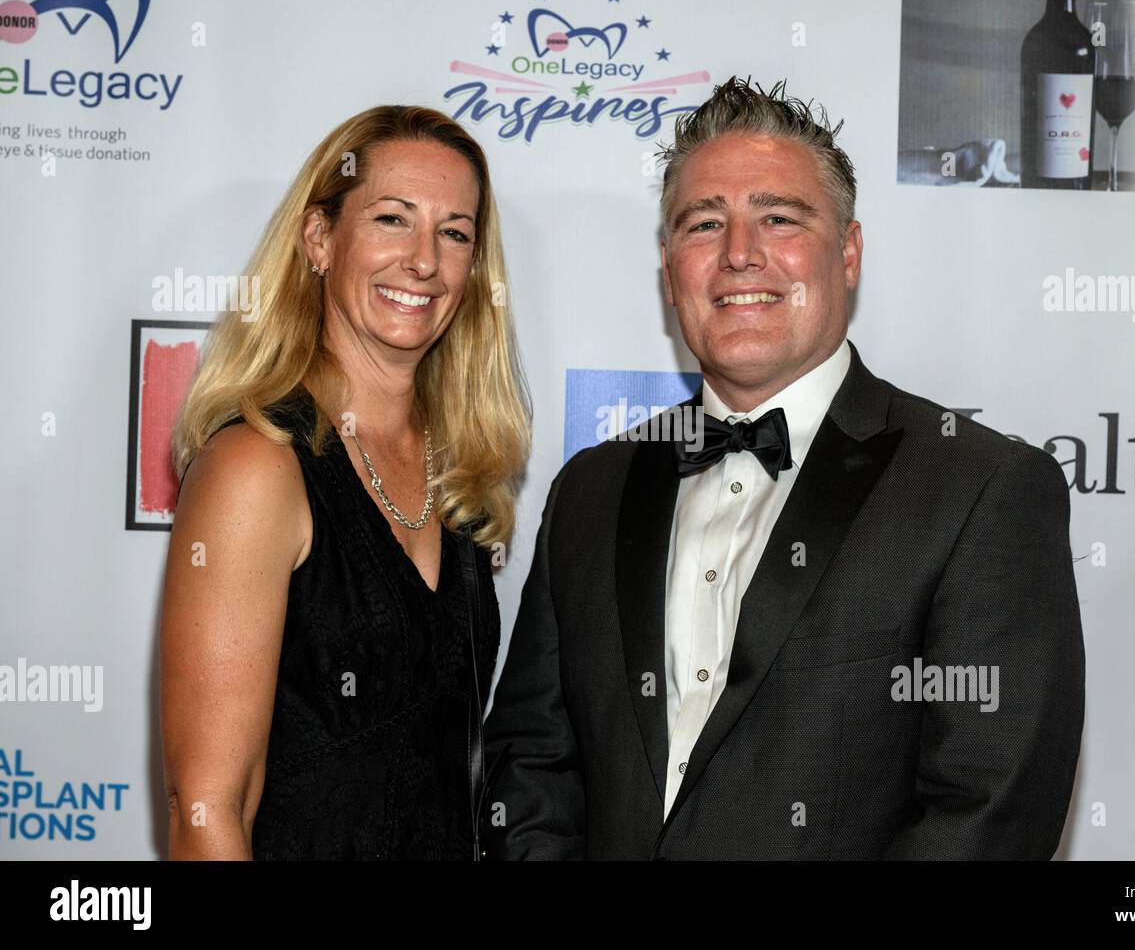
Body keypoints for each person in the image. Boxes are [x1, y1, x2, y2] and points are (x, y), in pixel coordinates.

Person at [482, 78, 1085, 859]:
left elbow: (988, 813)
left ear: (849, 251)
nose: (739, 254)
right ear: (670, 269)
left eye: (779, 217)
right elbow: (530, 765)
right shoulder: (590, 491)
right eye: (705, 224)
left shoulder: (981, 489)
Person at [160, 105, 530, 860]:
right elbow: (207, 808)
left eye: (455, 232)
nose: (424, 260)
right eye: (393, 219)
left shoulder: (458, 473)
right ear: (320, 238)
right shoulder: (254, 467)